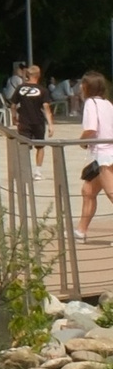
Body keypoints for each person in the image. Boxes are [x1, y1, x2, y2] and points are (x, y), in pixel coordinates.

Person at [77, 72, 113, 243]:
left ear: (87, 87)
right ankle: (81, 230)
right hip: (105, 152)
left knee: (112, 193)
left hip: (104, 154)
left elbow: (91, 129)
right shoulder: (107, 103)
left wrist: (81, 141)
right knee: (88, 191)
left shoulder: (91, 103)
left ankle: (81, 231)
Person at [11, 63, 52, 172]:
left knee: (24, 146)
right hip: (38, 121)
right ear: (38, 75)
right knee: (40, 146)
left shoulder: (20, 88)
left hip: (24, 121)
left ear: (28, 75)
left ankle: (24, 168)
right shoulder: (42, 90)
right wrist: (51, 125)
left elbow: (13, 105)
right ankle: (38, 170)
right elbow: (46, 107)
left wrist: (14, 117)